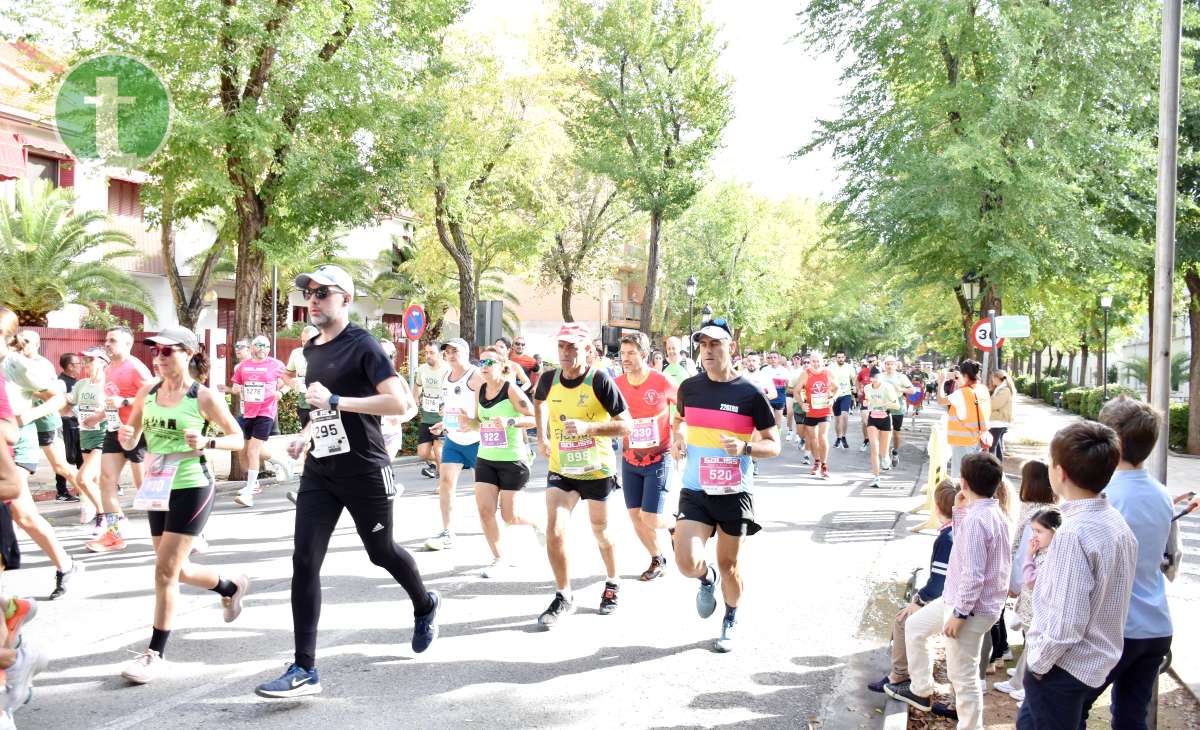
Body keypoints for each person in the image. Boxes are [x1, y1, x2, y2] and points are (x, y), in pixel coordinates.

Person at [255, 264, 436, 699]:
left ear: (346, 300)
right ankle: (304, 668)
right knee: (304, 561)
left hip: (365, 469)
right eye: (309, 294)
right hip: (322, 468)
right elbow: (323, 411)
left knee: (381, 552)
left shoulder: (365, 345)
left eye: (323, 293)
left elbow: (400, 401)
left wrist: (338, 398)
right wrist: (304, 435)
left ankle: (425, 603)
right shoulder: (313, 349)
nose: (313, 300)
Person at [114, 326, 249, 683]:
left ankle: (154, 654)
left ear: (188, 353)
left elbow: (238, 438)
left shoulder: (202, 396)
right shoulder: (148, 390)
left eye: (167, 351)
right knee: (178, 570)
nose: (158, 358)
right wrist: (127, 437)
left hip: (192, 484)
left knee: (164, 572)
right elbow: (134, 436)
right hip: (158, 485)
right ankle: (229, 586)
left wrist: (207, 441)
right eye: (155, 352)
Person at [1017, 421, 1137, 729]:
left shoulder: (1074, 533)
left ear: (1059, 473)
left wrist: (1039, 664)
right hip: (1092, 662)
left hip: (1063, 667)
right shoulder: (1115, 522)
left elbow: (1067, 620)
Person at [671, 317, 780, 652]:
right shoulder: (690, 388)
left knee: (730, 564)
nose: (707, 351)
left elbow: (773, 444)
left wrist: (745, 447)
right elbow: (679, 420)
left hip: (734, 492)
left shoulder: (749, 393)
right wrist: (678, 437)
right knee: (686, 562)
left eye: (715, 344)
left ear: (730, 347)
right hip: (696, 489)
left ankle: (731, 616)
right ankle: (706, 579)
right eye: (702, 345)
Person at [887, 452, 1011, 727]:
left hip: (968, 607)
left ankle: (971, 726)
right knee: (915, 626)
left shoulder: (980, 520)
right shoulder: (989, 512)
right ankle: (920, 690)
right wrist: (959, 509)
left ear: (964, 483)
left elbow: (974, 573)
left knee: (963, 676)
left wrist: (960, 614)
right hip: (957, 598)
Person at [1076, 397, 1175, 727]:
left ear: (1112, 439)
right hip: (1155, 625)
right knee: (1132, 717)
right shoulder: (1161, 494)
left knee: (1066, 707)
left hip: (1115, 627)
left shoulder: (1102, 494)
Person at [533, 323, 632, 628]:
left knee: (601, 532)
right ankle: (564, 595)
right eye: (561, 346)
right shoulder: (549, 379)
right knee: (555, 531)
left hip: (597, 469)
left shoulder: (600, 380)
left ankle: (613, 581)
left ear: (587, 351)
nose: (565, 352)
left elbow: (626, 424)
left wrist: (590, 428)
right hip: (562, 469)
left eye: (572, 347)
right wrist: (542, 437)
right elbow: (539, 402)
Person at [0, 318, 85, 599]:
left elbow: (58, 399)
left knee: (21, 514)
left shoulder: (15, 365)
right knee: (24, 516)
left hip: (18, 443)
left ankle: (64, 566)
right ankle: (67, 565)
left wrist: (25, 416)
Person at [868, 479, 957, 694]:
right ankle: (903, 673)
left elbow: (938, 584)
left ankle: (899, 675)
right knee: (907, 617)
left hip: (949, 601)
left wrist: (919, 601)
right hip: (954, 597)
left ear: (936, 507)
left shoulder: (947, 538)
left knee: (903, 620)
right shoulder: (956, 531)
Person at [472, 345, 544, 577]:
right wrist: (463, 422)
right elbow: (478, 422)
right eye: (481, 362)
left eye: (489, 362)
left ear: (502, 365)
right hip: (486, 458)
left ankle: (536, 523)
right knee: (485, 511)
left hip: (513, 460)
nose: (483, 367)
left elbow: (534, 418)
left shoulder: (510, 389)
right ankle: (498, 558)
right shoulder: (480, 389)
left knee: (509, 516)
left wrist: (510, 422)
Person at [614, 332, 678, 582]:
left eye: (631, 353)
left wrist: (679, 434)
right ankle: (657, 558)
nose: (625, 358)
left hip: (659, 457)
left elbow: (684, 408)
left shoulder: (662, 381)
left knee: (649, 517)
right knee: (635, 517)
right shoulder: (617, 383)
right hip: (630, 459)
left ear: (644, 354)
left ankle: (674, 523)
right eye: (622, 353)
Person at [994, 460, 1058, 699]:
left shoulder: (1035, 514)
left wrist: (1015, 583)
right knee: (1032, 633)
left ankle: (1024, 684)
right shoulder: (1048, 509)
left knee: (1034, 634)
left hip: (1035, 583)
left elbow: (1023, 551)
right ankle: (1020, 677)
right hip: (1037, 580)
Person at [87, 326, 153, 552]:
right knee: (106, 480)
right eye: (106, 340)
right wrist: (97, 416)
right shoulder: (109, 368)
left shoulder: (136, 367)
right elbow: (111, 402)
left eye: (112, 340)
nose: (107, 344)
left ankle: (184, 528)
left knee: (145, 488)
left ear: (127, 344)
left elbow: (152, 397)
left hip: (138, 431)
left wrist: (125, 402)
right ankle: (114, 534)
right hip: (115, 430)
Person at [423, 338, 481, 551]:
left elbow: (488, 407)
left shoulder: (476, 376)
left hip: (477, 441)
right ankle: (448, 531)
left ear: (465, 352)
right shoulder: (446, 376)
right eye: (447, 351)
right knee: (446, 483)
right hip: (454, 440)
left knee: (483, 491)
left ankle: (496, 519)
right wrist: (443, 423)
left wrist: (475, 423)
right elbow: (451, 407)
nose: (450, 354)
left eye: (455, 350)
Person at [13, 332, 81, 505]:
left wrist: (25, 388)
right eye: (20, 340)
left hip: (46, 422)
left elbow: (52, 396)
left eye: (27, 341)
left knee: (60, 466)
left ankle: (91, 498)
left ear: (36, 344)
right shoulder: (14, 362)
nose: (22, 344)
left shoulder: (42, 365)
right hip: (23, 425)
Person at [232, 335, 292, 507]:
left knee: (252, 450)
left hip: (266, 412)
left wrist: (281, 392)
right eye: (258, 345)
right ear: (252, 348)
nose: (262, 348)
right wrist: (236, 388)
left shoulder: (276, 365)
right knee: (247, 449)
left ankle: (250, 492)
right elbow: (237, 385)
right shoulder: (243, 366)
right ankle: (281, 461)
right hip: (247, 412)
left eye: (265, 345)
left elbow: (288, 381)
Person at [69, 347, 121, 536]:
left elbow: (117, 408)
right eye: (85, 360)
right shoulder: (81, 384)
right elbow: (69, 404)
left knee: (82, 479)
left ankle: (102, 515)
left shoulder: (110, 384)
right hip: (85, 435)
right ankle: (116, 522)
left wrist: (98, 417)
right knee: (99, 482)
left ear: (103, 362)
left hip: (104, 436)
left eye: (90, 360)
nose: (86, 364)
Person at [937, 360, 992, 478]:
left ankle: (961, 496)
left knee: (959, 477)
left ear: (965, 375)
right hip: (979, 439)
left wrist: (941, 383)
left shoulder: (962, 393)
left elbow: (941, 400)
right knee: (973, 476)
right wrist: (961, 384)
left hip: (962, 442)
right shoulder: (983, 390)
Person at [793, 353, 836, 479]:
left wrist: (832, 398)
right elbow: (796, 391)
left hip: (824, 410)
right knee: (813, 439)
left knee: (822, 437)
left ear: (822, 361)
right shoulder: (805, 374)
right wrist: (802, 404)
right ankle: (817, 461)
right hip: (811, 411)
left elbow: (837, 388)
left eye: (818, 361)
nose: (816, 364)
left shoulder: (828, 373)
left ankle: (824, 465)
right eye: (813, 361)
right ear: (809, 362)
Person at [413, 341, 449, 479]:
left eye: (431, 353)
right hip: (427, 416)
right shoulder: (422, 369)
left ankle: (442, 480)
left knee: (439, 449)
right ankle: (446, 462)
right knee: (422, 453)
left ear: (441, 354)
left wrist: (448, 407)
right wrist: (415, 398)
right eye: (426, 352)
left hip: (442, 418)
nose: (428, 355)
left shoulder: (448, 369)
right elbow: (418, 385)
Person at [862, 368, 899, 488]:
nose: (876, 380)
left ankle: (886, 456)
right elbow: (867, 400)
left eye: (878, 378)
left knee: (883, 452)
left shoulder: (887, 387)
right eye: (873, 378)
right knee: (874, 447)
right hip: (872, 418)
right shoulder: (867, 388)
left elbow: (897, 405)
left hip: (885, 418)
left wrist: (883, 403)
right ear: (870, 378)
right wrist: (866, 403)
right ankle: (876, 478)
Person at [56, 351, 84, 504]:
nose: (81, 366)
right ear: (69, 366)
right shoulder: (61, 383)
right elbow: (59, 404)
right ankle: (62, 491)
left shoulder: (76, 382)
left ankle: (81, 489)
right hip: (66, 423)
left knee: (81, 457)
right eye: (78, 363)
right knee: (66, 458)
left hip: (78, 423)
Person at [879, 356, 916, 468]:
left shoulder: (901, 377)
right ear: (884, 365)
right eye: (887, 364)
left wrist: (901, 389)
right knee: (884, 431)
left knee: (895, 432)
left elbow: (913, 390)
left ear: (896, 365)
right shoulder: (880, 376)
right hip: (883, 405)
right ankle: (885, 456)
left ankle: (895, 452)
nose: (889, 366)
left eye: (892, 364)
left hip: (897, 406)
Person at [286, 324, 320, 431]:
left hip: (322, 402)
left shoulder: (327, 353)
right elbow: (286, 374)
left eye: (309, 340)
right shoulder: (296, 353)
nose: (305, 344)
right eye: (303, 341)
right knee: (307, 438)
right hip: (304, 402)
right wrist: (290, 382)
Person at [828, 351, 857, 449]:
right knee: (837, 419)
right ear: (836, 358)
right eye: (838, 357)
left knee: (844, 415)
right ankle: (838, 438)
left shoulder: (849, 367)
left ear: (845, 358)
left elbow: (854, 379)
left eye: (842, 357)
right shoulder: (831, 368)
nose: (840, 359)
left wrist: (855, 387)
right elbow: (827, 379)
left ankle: (843, 436)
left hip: (846, 394)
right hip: (835, 395)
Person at [760, 351, 791, 440]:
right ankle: (767, 438)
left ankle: (776, 439)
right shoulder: (764, 370)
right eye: (771, 357)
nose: (773, 359)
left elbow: (788, 385)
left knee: (778, 422)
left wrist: (783, 393)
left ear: (779, 359)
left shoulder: (784, 370)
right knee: (767, 420)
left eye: (775, 357)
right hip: (768, 397)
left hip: (779, 398)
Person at [988, 369, 1014, 462]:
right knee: (997, 448)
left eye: (993, 378)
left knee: (992, 447)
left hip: (998, 422)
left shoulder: (1005, 390)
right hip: (997, 422)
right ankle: (998, 469)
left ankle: (995, 469)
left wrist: (987, 403)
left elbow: (994, 404)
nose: (992, 381)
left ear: (996, 378)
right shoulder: (1000, 389)